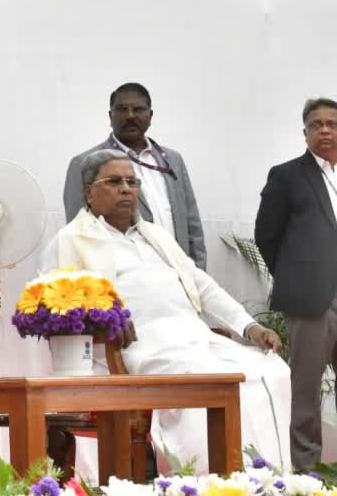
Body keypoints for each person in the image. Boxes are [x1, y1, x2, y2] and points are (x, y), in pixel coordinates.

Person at [46, 148, 290, 473]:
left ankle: (267, 478)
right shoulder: (70, 241)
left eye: (132, 183)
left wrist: (249, 327)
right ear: (88, 191)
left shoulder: (155, 235)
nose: (126, 189)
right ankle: (199, 479)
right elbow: (52, 307)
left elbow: (202, 285)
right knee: (210, 379)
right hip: (141, 347)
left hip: (196, 338)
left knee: (271, 370)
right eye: (115, 181)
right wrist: (104, 320)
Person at [255, 97, 337, 469]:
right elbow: (266, 236)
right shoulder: (287, 176)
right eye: (316, 124)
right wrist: (296, 276)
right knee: (306, 389)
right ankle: (307, 471)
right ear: (304, 132)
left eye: (331, 124)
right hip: (310, 300)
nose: (324, 130)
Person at [63, 82, 207, 269]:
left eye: (138, 109)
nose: (130, 116)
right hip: (126, 279)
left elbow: (192, 225)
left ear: (150, 115)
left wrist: (198, 274)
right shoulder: (85, 162)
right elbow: (78, 233)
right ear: (110, 116)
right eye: (122, 109)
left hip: (180, 274)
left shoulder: (173, 160)